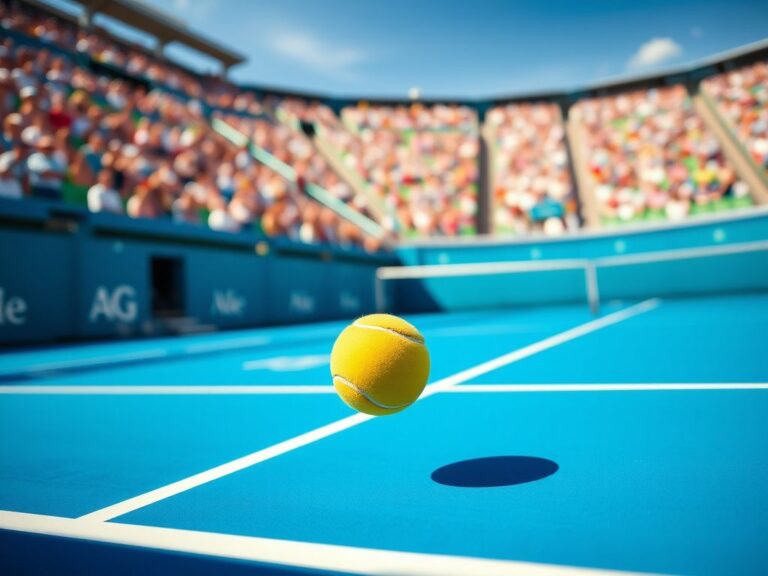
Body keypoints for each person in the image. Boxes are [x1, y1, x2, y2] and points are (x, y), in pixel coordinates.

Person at [26, 135, 66, 200]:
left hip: (55, 192)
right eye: (46, 148)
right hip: (39, 190)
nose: (49, 150)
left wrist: (51, 173)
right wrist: (55, 174)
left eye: (51, 148)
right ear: (39, 148)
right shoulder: (34, 158)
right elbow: (44, 173)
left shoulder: (58, 159)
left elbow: (63, 175)